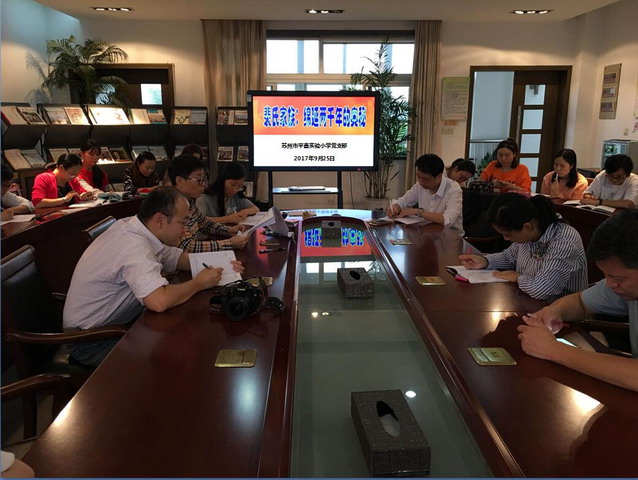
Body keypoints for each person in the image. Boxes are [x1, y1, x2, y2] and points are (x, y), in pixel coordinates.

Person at [63, 187, 244, 366]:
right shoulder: (133, 245)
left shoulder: (137, 228)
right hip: (91, 340)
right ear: (160, 220)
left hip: (116, 324)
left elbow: (176, 259)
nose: (185, 231)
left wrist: (220, 263)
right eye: (182, 223)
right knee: (173, 356)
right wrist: (199, 283)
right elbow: (159, 301)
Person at [517, 209, 638, 392]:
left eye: (618, 278)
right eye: (606, 276)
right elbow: (581, 302)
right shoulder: (623, 286)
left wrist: (553, 349)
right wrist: (555, 311)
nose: (610, 284)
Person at [459, 193, 587, 302]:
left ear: (527, 227)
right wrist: (485, 261)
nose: (505, 239)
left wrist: (517, 277)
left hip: (558, 315)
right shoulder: (531, 231)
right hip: (527, 302)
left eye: (508, 234)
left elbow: (542, 290)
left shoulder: (564, 240)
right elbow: (509, 257)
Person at [169, 154, 249, 252]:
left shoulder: (189, 201)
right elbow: (186, 246)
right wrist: (229, 243)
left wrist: (228, 230)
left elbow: (205, 223)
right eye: (199, 180)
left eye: (204, 179)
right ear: (180, 181)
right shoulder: (172, 206)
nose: (204, 184)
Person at [386, 153, 464, 236]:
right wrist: (396, 207)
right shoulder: (419, 185)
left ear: (439, 176)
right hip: (427, 233)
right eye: (418, 177)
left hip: (450, 237)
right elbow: (403, 201)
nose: (421, 182)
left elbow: (448, 220)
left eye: (425, 179)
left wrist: (418, 212)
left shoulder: (454, 189)